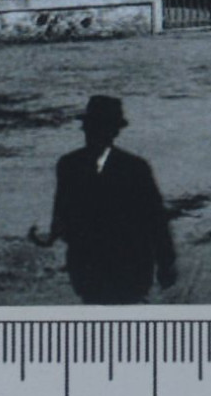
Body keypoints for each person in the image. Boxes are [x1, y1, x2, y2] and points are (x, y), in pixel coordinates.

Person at [32, 95, 177, 304]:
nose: (91, 131)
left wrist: (165, 260)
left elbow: (155, 218)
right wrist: (166, 261)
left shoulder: (74, 165)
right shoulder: (72, 165)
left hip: (117, 264)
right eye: (92, 126)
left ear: (112, 131)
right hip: (103, 265)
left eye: (97, 126)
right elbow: (62, 213)